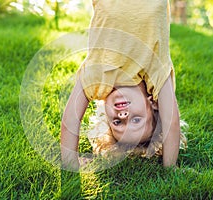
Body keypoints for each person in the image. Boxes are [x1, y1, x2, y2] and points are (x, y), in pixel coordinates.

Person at [61, 0, 187, 171]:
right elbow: (171, 122)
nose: (124, 114)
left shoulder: (97, 79)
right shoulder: (156, 74)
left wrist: (70, 162)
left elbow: (71, 119)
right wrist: (170, 168)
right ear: (153, 104)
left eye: (117, 122)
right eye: (136, 119)